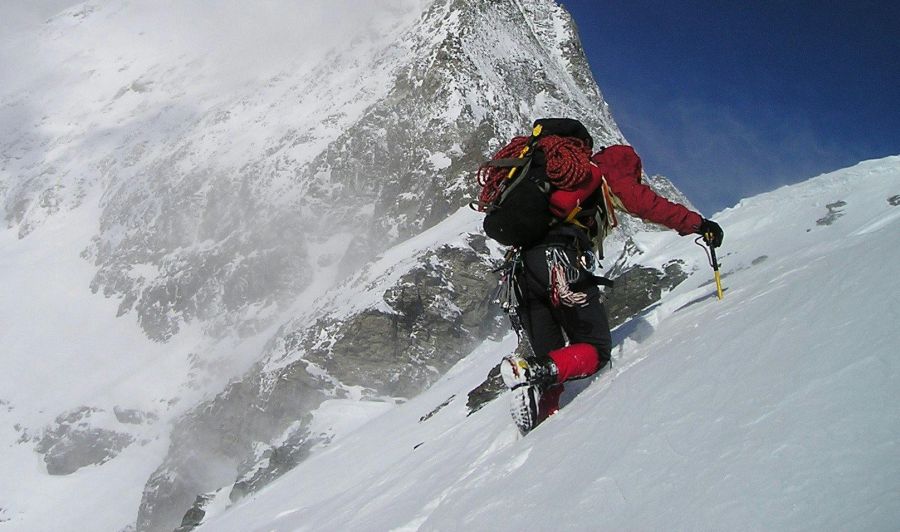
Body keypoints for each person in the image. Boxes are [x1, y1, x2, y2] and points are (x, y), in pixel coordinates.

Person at [492, 118, 724, 433]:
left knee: (555, 358)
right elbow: (647, 205)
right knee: (596, 349)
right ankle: (531, 371)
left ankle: (542, 428)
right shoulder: (603, 170)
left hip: (520, 275)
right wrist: (698, 225)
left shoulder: (544, 175)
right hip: (558, 263)